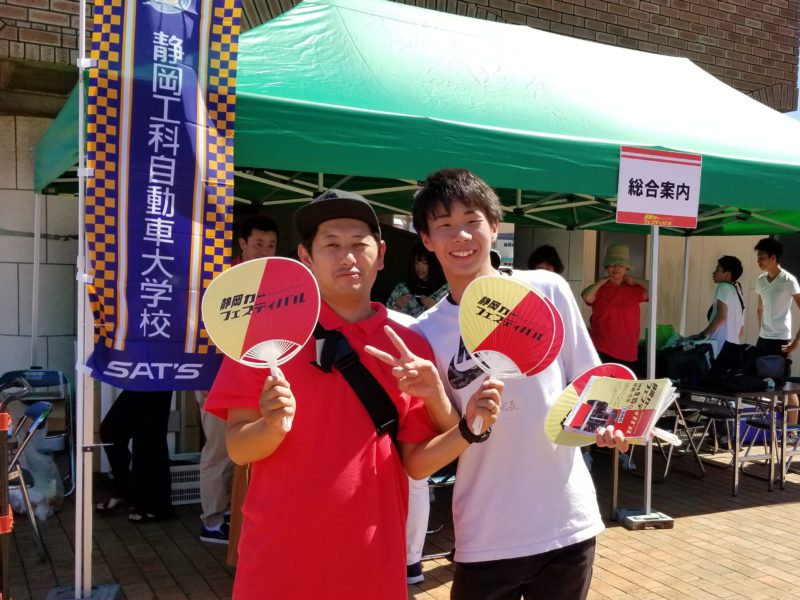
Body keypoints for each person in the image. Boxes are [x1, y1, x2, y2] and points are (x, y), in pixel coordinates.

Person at [204, 189, 502, 599]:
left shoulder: (409, 345)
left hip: (373, 562)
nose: (347, 257)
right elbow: (238, 448)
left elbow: (416, 464)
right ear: (306, 258)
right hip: (277, 563)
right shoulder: (264, 335)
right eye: (331, 245)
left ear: (380, 255)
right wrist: (271, 426)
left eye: (359, 244)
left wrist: (469, 428)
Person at [410, 168, 628, 600]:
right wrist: (462, 414)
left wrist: (607, 426)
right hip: (486, 531)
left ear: (494, 226)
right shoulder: (425, 332)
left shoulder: (547, 290)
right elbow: (444, 434)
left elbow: (590, 385)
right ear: (427, 239)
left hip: (566, 522)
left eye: (472, 220)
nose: (461, 236)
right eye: (445, 224)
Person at [197, 215, 282, 544]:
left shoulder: (275, 283)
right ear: (242, 244)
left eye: (271, 245)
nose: (264, 251)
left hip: (255, 382)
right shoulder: (222, 281)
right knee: (220, 450)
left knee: (250, 451)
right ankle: (211, 520)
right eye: (258, 244)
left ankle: (233, 513)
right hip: (217, 379)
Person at [95, 390, 174, 522]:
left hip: (158, 382)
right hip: (138, 382)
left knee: (149, 436)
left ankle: (158, 505)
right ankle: (125, 491)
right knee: (111, 430)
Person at [581, 243, 649, 372]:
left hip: (628, 351)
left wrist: (634, 280)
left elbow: (654, 289)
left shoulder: (634, 289)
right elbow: (586, 296)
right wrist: (600, 282)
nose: (616, 268)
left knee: (625, 384)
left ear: (627, 268)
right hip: (601, 349)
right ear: (606, 267)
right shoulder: (599, 289)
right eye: (612, 264)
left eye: (620, 265)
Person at [754, 237, 800, 423]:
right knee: (762, 382)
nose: (759, 261)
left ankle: (791, 431)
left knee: (783, 385)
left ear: (773, 258)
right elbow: (759, 308)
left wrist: (796, 341)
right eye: (758, 257)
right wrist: (762, 331)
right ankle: (770, 425)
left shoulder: (789, 280)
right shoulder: (760, 281)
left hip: (781, 340)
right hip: (763, 339)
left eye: (762, 258)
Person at [694, 256, 745, 357]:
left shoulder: (723, 286)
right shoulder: (738, 293)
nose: (713, 273)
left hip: (718, 346)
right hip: (732, 348)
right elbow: (740, 331)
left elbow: (721, 317)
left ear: (727, 275)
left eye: (717, 270)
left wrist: (702, 334)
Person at [386, 242, 449, 317]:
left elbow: (452, 318)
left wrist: (435, 307)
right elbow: (387, 314)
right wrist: (398, 306)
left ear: (433, 264)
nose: (419, 268)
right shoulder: (402, 289)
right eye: (416, 263)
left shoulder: (445, 290)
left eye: (424, 263)